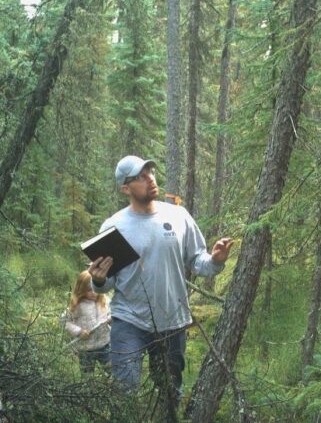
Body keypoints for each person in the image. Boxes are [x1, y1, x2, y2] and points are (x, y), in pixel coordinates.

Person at [88, 155, 233, 404]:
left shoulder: (179, 216)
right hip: (128, 320)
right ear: (126, 188)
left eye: (150, 172)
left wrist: (216, 260)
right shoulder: (114, 226)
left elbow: (198, 261)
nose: (150, 179)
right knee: (124, 393)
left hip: (172, 321)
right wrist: (99, 280)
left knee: (170, 395)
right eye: (141, 177)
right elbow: (106, 283)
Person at [62, 270, 111, 374]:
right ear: (81, 289)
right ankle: (88, 389)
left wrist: (111, 320)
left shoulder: (104, 301)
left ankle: (112, 388)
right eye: (89, 290)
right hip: (86, 349)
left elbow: (112, 314)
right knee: (87, 374)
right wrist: (78, 331)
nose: (93, 293)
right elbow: (64, 321)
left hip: (104, 344)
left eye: (95, 289)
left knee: (111, 370)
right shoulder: (77, 306)